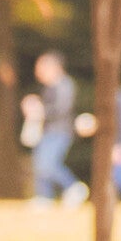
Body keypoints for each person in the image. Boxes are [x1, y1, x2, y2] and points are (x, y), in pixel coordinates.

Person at [30, 50, 78, 206]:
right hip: (48, 131)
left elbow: (62, 109)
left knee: (47, 164)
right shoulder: (50, 87)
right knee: (40, 164)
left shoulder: (64, 85)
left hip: (59, 131)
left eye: (41, 68)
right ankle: (44, 197)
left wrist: (41, 111)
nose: (38, 73)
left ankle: (73, 186)